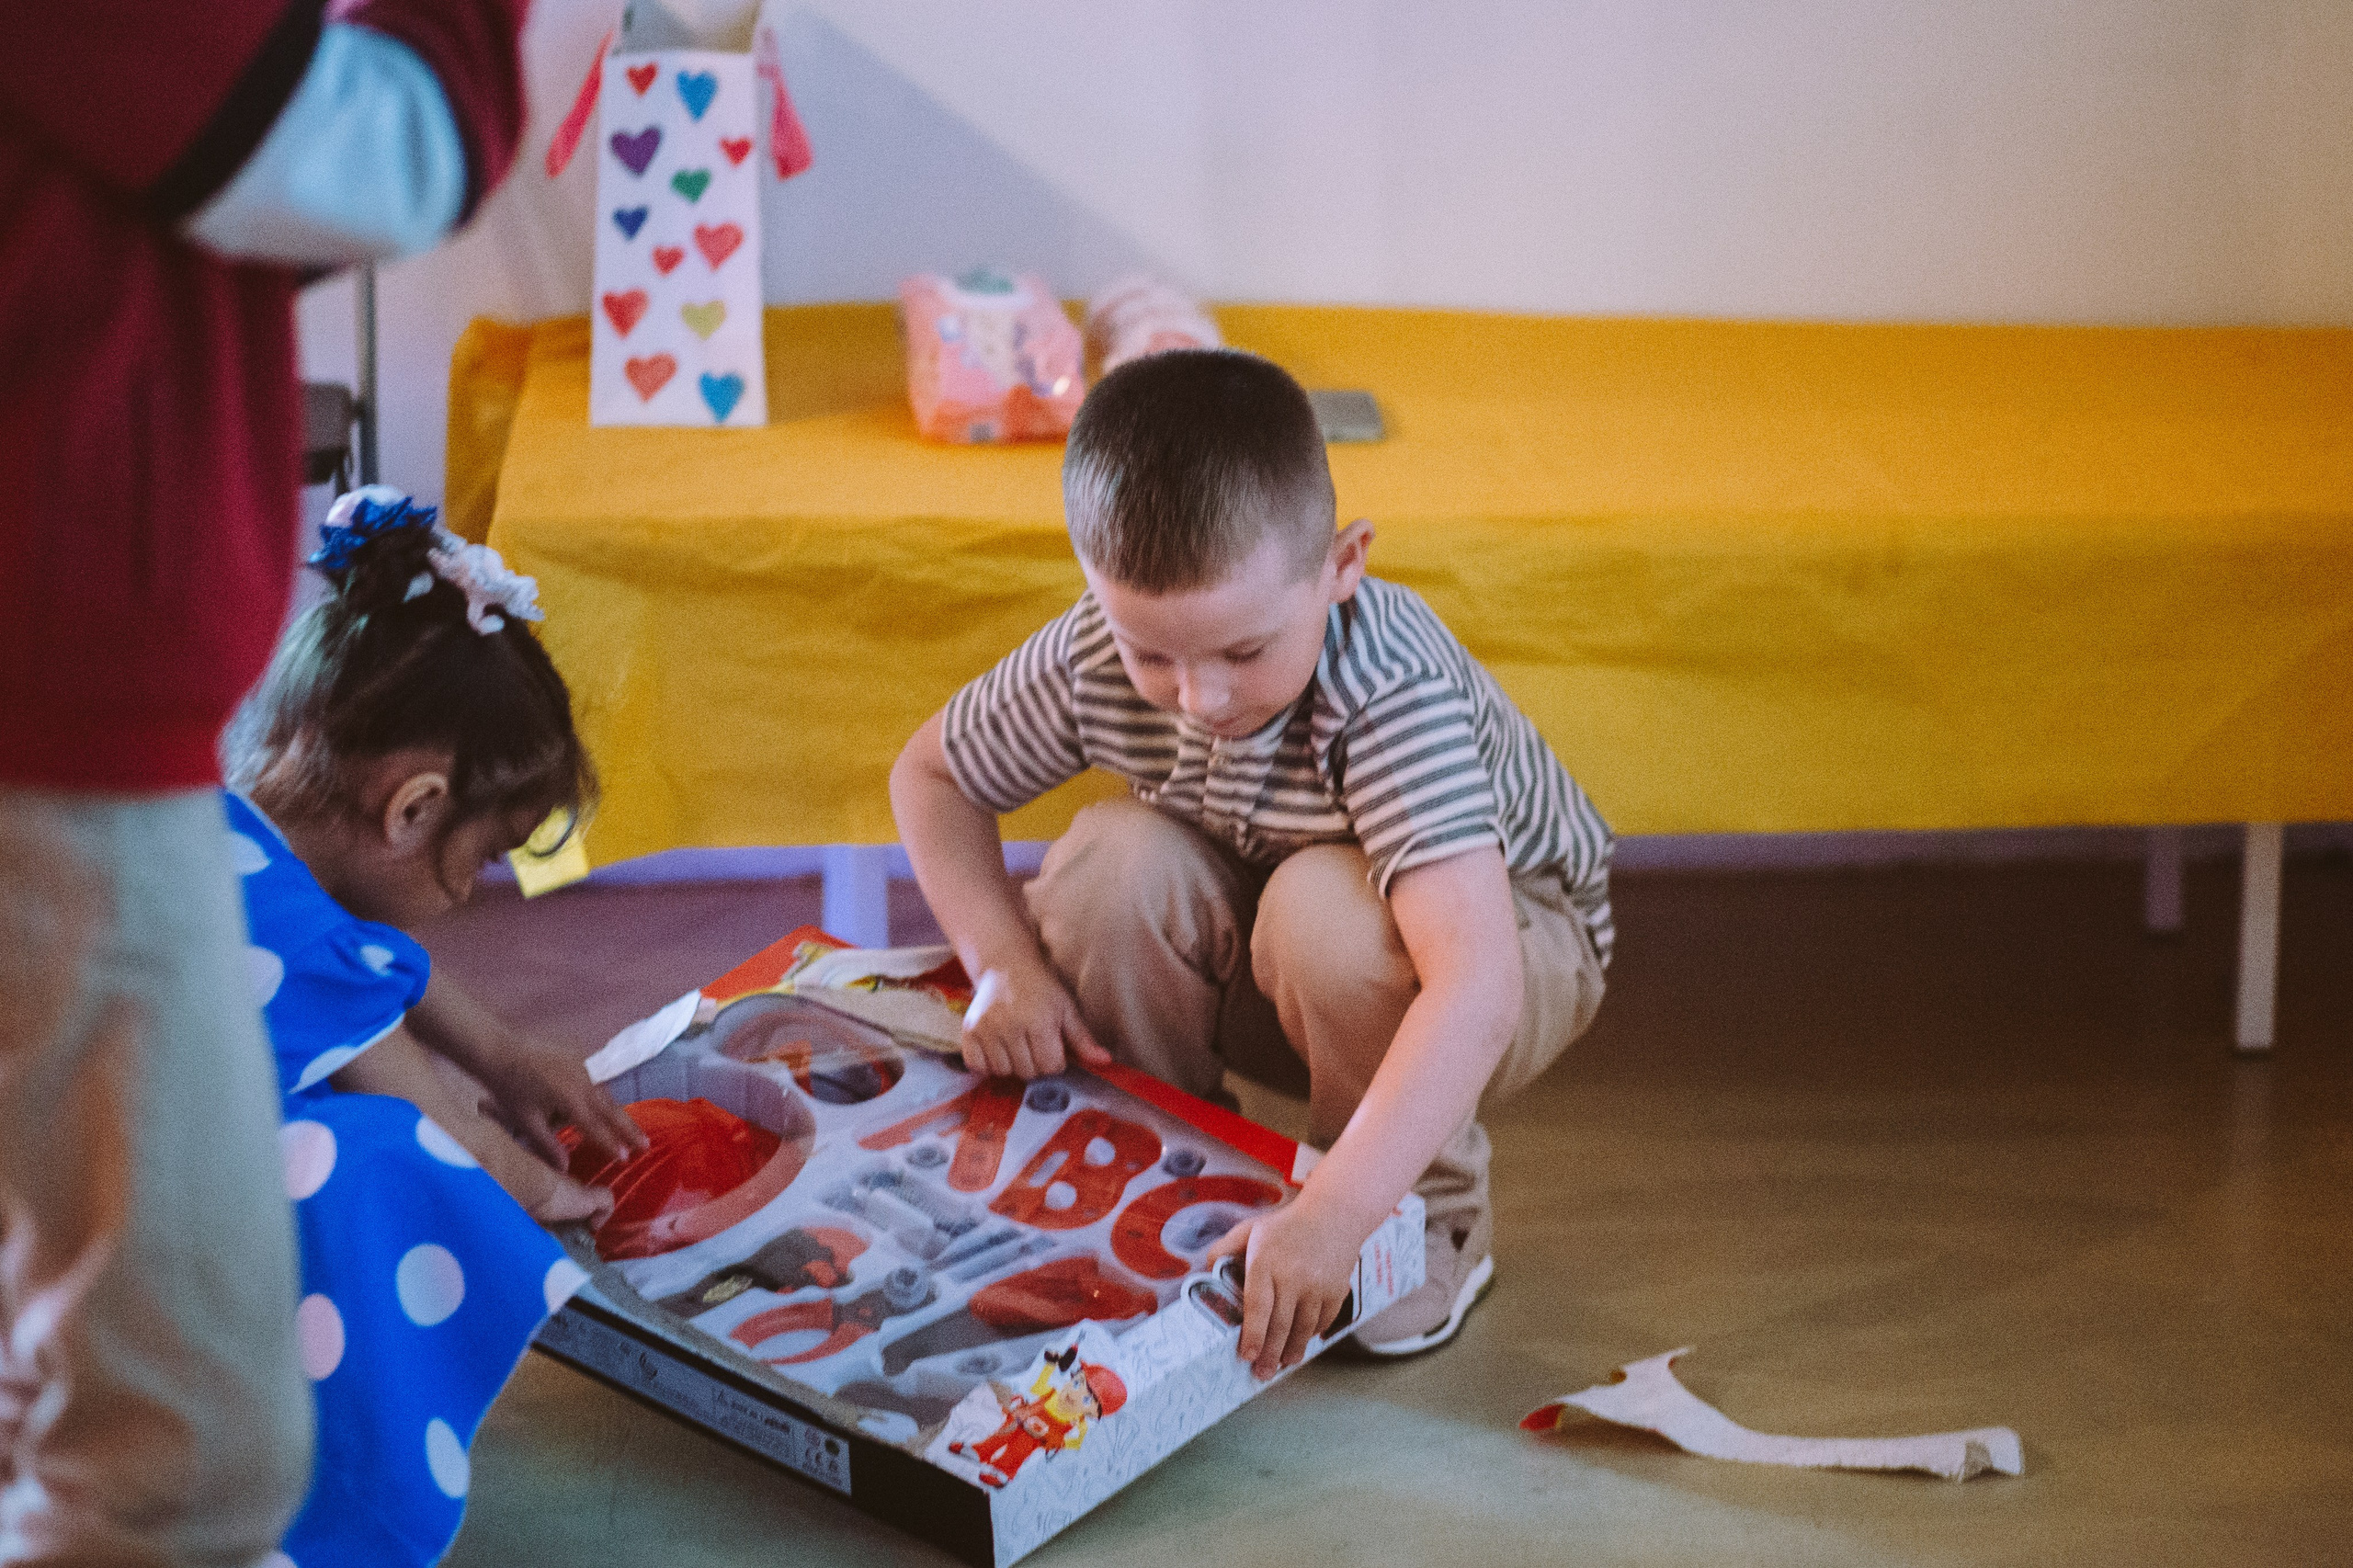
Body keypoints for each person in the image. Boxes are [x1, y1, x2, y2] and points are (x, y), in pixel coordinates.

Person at [2, 4, 529, 1562]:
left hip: (76, 724)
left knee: (122, 1398)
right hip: (55, 736)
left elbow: (172, 190)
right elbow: (381, 154)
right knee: (183, 1449)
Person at [891, 350, 1613, 1380]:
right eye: (1153, 654)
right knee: (1108, 860)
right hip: (1276, 935)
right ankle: (1171, 1170)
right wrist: (1001, 960)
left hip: (1511, 948)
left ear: (1342, 564)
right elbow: (931, 776)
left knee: (1326, 909)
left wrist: (1335, 1214)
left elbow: (1478, 982)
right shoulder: (1101, 648)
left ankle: (1416, 1216)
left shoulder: (1387, 685)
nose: (1199, 697)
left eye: (1243, 651)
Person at [225, 487, 643, 1567]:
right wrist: (535, 1181)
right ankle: (343, 1516)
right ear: (411, 810)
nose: (474, 892)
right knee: (387, 1160)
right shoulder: (272, 919)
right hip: (110, 1169)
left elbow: (389, 983)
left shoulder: (245, 829)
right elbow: (399, 1070)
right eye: (484, 858)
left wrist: (513, 1055)